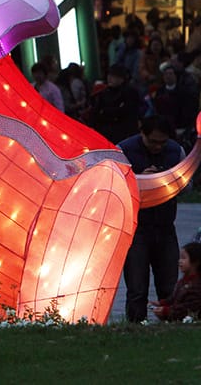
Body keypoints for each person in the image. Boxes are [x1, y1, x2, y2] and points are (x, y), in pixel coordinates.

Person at [119, 115, 185, 322]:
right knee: (137, 288)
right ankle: (135, 328)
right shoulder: (124, 150)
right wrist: (140, 180)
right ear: (142, 133)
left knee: (169, 287)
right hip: (137, 228)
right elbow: (113, 184)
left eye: (162, 142)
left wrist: (166, 180)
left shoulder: (175, 151)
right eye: (153, 142)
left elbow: (186, 184)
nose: (158, 147)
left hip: (165, 226)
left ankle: (171, 327)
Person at [85, 64, 145, 144]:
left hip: (122, 133)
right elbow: (95, 113)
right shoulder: (102, 93)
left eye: (114, 76)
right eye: (109, 75)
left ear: (122, 79)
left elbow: (128, 113)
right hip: (104, 133)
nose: (110, 78)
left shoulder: (129, 93)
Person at [151, 242, 201, 322]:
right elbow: (174, 298)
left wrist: (166, 311)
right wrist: (161, 303)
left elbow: (189, 307)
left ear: (195, 262)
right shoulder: (182, 281)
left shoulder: (196, 285)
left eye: (184, 258)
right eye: (180, 258)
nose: (180, 261)